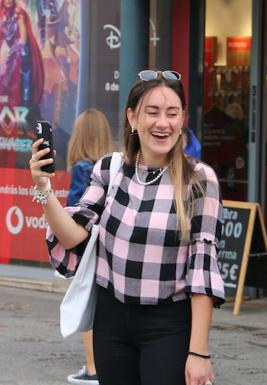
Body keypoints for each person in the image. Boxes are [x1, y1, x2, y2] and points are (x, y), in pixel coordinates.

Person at [30, 69, 225, 385]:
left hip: (168, 324)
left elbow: (203, 266)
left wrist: (199, 352)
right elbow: (73, 236)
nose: (163, 123)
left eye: (172, 113)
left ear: (183, 120)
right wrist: (44, 189)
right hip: (112, 322)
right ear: (132, 117)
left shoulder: (199, 179)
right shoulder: (110, 169)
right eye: (152, 112)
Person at [65, 108, 115, 385]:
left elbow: (74, 212)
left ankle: (93, 368)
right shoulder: (113, 167)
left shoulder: (83, 168)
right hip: (110, 244)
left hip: (90, 245)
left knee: (88, 305)